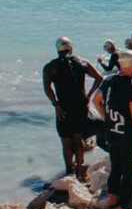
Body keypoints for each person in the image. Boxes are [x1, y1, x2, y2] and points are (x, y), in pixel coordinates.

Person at [91, 50, 132, 209]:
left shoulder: (109, 80)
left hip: (112, 132)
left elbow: (95, 100)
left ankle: (112, 199)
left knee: (116, 167)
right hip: (128, 136)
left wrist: (106, 117)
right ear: (129, 66)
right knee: (129, 172)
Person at [43, 37, 103, 181]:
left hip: (63, 108)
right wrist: (88, 96)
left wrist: (55, 104)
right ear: (71, 48)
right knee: (78, 138)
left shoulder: (51, 66)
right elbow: (99, 78)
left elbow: (47, 88)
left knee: (66, 142)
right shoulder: (82, 62)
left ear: (57, 50)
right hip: (80, 106)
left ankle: (69, 172)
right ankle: (80, 171)